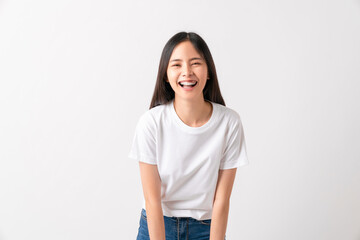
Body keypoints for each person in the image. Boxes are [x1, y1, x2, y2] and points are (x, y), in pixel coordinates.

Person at [128, 31, 249, 240]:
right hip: (157, 224)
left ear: (209, 71)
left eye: (195, 63)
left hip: (205, 228)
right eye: (176, 65)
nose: (187, 72)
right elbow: (152, 200)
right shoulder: (151, 123)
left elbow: (221, 200)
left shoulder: (229, 123)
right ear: (165, 75)